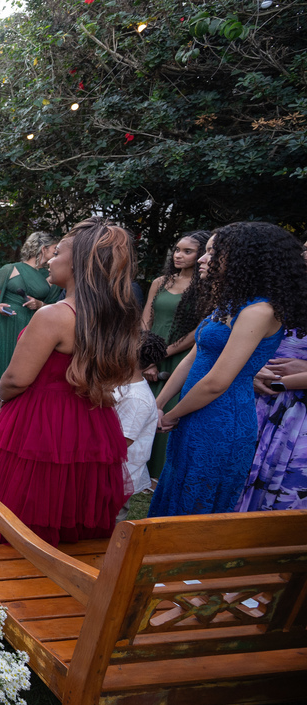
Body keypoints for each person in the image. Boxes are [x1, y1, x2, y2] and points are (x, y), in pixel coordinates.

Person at [0, 218, 136, 553]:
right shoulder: (114, 316)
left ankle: (5, 567)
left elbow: (17, 378)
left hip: (43, 421)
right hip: (92, 420)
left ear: (77, 263)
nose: (50, 260)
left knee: (24, 499)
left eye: (57, 253)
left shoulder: (54, 315)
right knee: (73, 499)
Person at [150, 222, 307, 517]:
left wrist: (172, 415)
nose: (202, 259)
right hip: (194, 411)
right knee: (175, 488)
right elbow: (191, 359)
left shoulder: (260, 311)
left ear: (243, 258)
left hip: (221, 418)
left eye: (212, 252)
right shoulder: (230, 303)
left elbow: (217, 382)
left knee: (196, 503)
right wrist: (157, 405)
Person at [0, 231, 62, 425]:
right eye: (54, 249)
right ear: (43, 249)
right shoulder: (10, 269)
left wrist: (40, 305)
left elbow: (55, 306)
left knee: (22, 369)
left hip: (30, 325)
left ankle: (14, 417)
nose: (56, 253)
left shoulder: (51, 275)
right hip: (2, 324)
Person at [140, 230, 209, 480]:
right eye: (177, 250)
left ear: (201, 254)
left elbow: (197, 332)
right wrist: (144, 355)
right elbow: (146, 319)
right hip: (146, 353)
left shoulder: (205, 288)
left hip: (179, 356)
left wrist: (157, 357)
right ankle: (136, 466)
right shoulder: (160, 282)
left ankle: (159, 473)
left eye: (187, 251)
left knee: (167, 408)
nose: (178, 255)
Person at [238, 310, 307, 511]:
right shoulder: (275, 301)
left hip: (297, 417)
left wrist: (279, 382)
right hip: (255, 405)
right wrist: (248, 372)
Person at [113, 331, 165, 520]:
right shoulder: (120, 381)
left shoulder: (137, 399)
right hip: (109, 470)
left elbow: (122, 442)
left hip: (118, 476)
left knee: (111, 518)